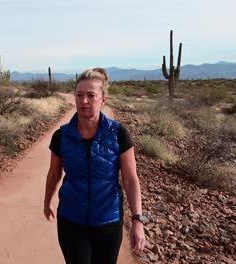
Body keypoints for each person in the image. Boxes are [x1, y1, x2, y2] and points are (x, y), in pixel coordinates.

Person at [43, 68, 145, 264]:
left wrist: (137, 220)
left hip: (108, 222)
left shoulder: (118, 134)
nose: (84, 101)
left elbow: (131, 180)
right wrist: (47, 201)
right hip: (71, 221)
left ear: (103, 100)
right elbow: (54, 174)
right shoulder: (61, 136)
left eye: (91, 95)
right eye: (80, 95)